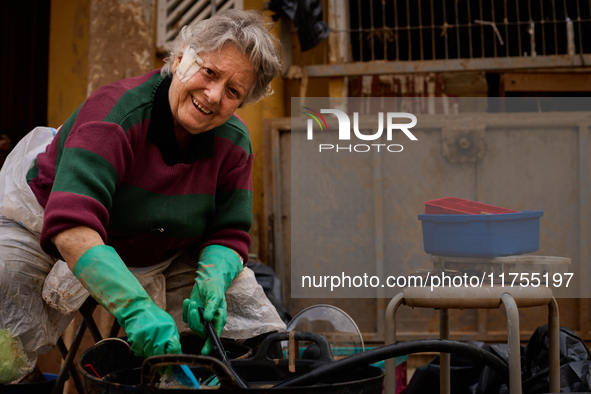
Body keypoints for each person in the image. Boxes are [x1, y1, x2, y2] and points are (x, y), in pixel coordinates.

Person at [0, 9, 282, 383]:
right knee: (7, 327)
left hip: (161, 248)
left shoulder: (233, 141)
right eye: (209, 72)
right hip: (45, 228)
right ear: (180, 58)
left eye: (233, 92)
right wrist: (135, 308)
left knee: (249, 320)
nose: (213, 96)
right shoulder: (115, 115)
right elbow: (71, 223)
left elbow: (228, 232)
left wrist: (213, 280)